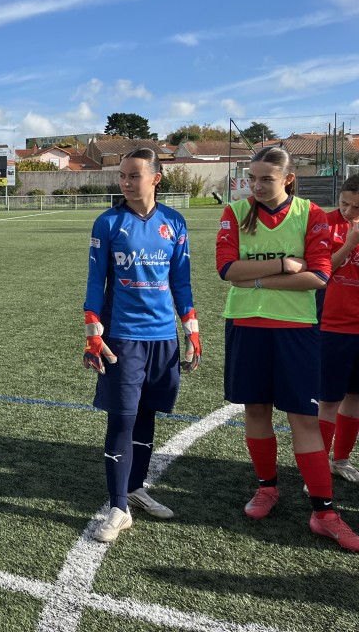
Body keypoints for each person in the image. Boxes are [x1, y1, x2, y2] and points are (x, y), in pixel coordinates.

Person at [217, 147, 359, 551]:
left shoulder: (309, 213)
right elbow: (227, 270)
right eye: (252, 178)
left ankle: (324, 513)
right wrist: (282, 264)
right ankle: (267, 488)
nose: (257, 186)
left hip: (297, 328)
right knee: (256, 411)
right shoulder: (235, 212)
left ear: (288, 178)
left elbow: (319, 275)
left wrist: (255, 279)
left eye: (267, 178)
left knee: (305, 419)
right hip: (245, 323)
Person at [83, 148, 200, 544]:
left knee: (147, 415)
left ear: (156, 178)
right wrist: (93, 332)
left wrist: (191, 330)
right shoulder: (109, 222)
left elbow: (180, 281)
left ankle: (135, 489)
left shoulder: (174, 222)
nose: (126, 183)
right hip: (123, 338)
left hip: (163, 338)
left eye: (134, 175)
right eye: (122, 176)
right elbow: (95, 281)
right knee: (122, 418)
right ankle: (118, 507)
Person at [316, 174, 359, 484]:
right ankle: (317, 468)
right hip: (333, 326)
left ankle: (340, 460)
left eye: (356, 207)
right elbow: (322, 271)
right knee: (329, 400)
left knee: (355, 398)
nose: (348, 211)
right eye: (344, 203)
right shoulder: (325, 224)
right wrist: (350, 243)